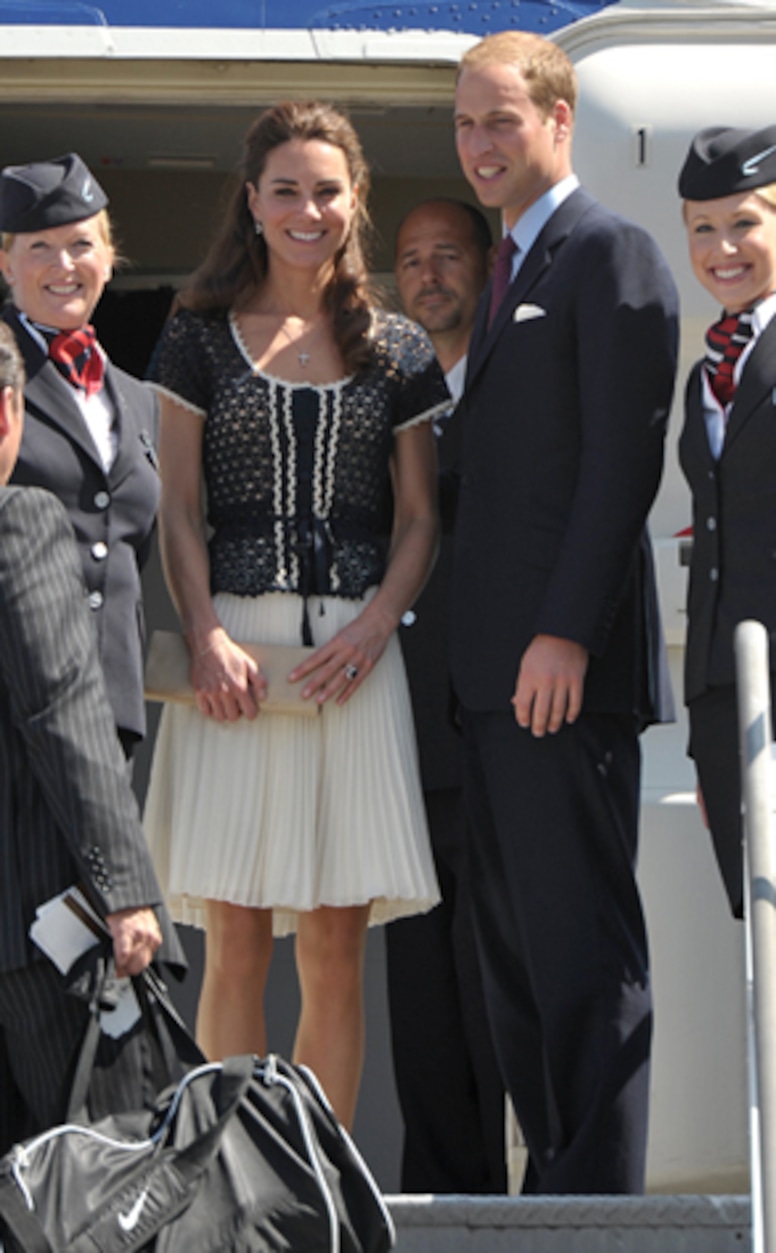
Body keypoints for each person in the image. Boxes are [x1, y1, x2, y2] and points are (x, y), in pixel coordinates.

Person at [142, 101, 447, 1130]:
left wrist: (372, 630)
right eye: (286, 188)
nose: (306, 208)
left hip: (356, 658)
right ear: (253, 199)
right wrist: (209, 632)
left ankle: (317, 1185)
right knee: (230, 937)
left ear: (353, 199)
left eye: (326, 189)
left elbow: (418, 521)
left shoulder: (396, 342)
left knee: (332, 946)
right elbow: (176, 508)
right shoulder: (192, 333)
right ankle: (230, 1180)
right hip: (231, 648)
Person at [449, 31, 679, 1194]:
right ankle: (555, 1185)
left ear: (557, 119)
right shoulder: (509, 272)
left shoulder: (608, 253)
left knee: (582, 945)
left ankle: (596, 1206)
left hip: (557, 672)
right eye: (463, 124)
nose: (478, 144)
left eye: (499, 120)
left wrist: (565, 629)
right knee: (517, 959)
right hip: (487, 681)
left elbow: (618, 464)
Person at [0, 321, 184, 1157]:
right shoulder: (20, 520)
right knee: (98, 1183)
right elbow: (64, 708)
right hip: (41, 929)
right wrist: (127, 888)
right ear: (11, 413)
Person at [386, 198, 507, 1193]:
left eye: (447, 256)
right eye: (411, 261)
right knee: (418, 992)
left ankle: (525, 1200)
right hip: (401, 736)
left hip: (508, 734)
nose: (429, 275)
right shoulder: (379, 400)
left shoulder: (517, 381)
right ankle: (436, 1193)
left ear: (485, 266)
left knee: (497, 985)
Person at [0, 153, 161, 757]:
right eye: (40, 247)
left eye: (81, 244)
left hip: (108, 706)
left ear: (109, 259)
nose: (64, 265)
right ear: (5, 264)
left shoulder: (140, 399)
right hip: (15, 701)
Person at [677, 126, 776, 920]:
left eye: (746, 222)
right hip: (726, 698)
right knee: (761, 943)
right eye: (703, 229)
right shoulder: (705, 373)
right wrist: (708, 727)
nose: (723, 248)